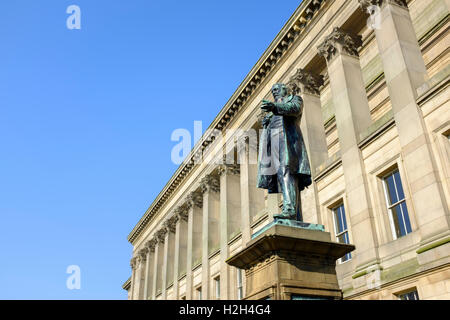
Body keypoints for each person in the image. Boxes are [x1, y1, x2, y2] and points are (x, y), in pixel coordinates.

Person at [257, 83, 312, 221]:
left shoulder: (295, 99)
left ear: (285, 89)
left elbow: (294, 109)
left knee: (286, 170)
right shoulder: (271, 114)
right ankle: (291, 212)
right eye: (272, 90)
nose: (274, 91)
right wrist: (266, 124)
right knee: (280, 175)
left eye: (277, 88)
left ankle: (290, 209)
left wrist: (275, 107)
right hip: (275, 143)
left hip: (288, 141)